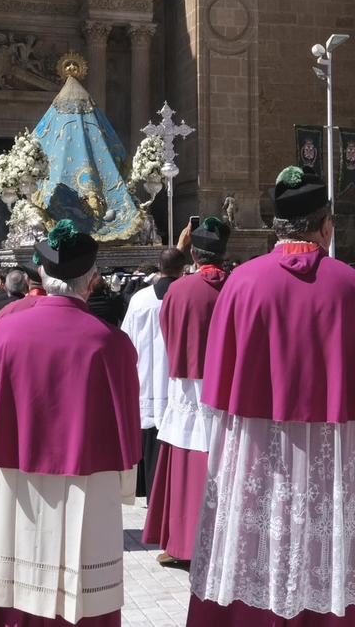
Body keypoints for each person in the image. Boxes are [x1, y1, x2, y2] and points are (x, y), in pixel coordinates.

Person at [188, 166, 355, 625]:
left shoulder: (240, 283)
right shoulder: (352, 285)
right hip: (329, 446)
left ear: (275, 227)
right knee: (326, 530)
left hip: (258, 445)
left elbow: (219, 380)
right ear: (325, 226)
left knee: (259, 528)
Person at [0, 221, 141, 627]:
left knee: (13, 565)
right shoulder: (111, 342)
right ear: (93, 281)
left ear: (42, 276)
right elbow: (126, 428)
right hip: (88, 477)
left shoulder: (7, 330)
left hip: (16, 473)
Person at [145, 218, 231, 568]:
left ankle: (181, 542)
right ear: (224, 254)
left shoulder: (176, 290)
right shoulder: (239, 286)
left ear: (193, 253)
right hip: (228, 391)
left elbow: (168, 333)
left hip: (186, 389)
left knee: (185, 466)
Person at [122, 248, 184, 500]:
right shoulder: (187, 296)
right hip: (177, 376)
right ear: (182, 269)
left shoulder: (139, 299)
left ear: (159, 267)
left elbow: (126, 337)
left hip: (146, 374)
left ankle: (147, 489)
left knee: (148, 430)